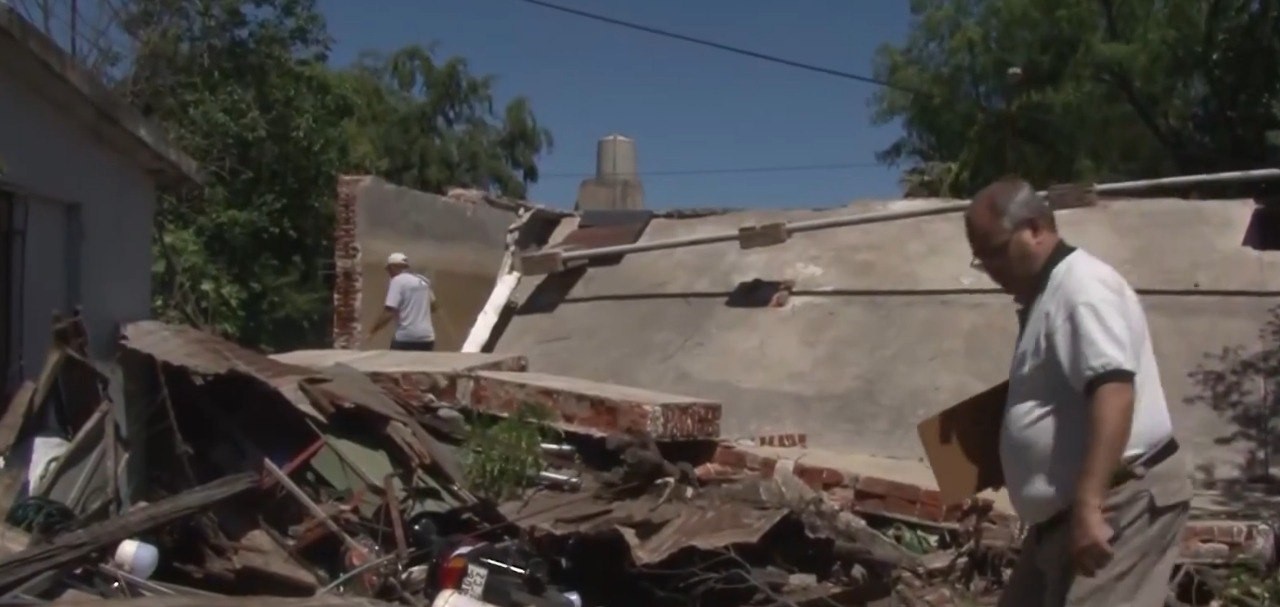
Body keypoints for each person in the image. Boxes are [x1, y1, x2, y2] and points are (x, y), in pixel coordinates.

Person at [965, 177, 1192, 607]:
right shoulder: (1047, 296)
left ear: (1034, 227)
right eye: (981, 259)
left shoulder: (1080, 288)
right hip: (1061, 520)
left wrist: (1090, 506)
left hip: (1117, 506)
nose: (990, 269)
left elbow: (1113, 391)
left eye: (993, 252)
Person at [368, 252, 437, 351]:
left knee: (394, 365)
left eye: (388, 269)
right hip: (427, 337)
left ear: (393, 267)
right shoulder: (423, 280)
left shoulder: (397, 281)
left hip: (406, 337)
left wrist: (372, 331)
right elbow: (434, 307)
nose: (389, 273)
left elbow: (389, 312)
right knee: (420, 366)